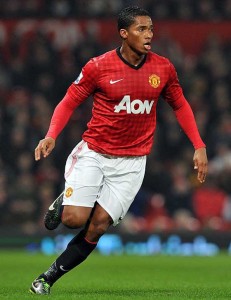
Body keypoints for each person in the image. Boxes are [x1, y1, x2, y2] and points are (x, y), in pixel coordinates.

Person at [29, 6, 208, 295]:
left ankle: (47, 278)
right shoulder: (98, 66)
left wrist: (199, 146)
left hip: (132, 163)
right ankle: (67, 200)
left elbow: (181, 105)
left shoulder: (163, 68)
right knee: (72, 220)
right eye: (141, 29)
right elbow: (69, 101)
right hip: (95, 153)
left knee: (97, 227)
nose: (149, 35)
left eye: (150, 29)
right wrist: (51, 135)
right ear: (124, 34)